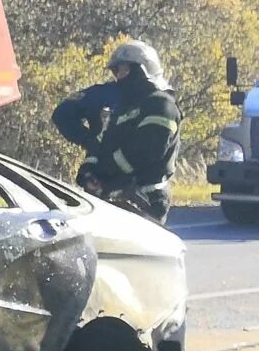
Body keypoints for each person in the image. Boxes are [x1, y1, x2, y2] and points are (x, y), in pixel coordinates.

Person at [51, 40, 181, 220]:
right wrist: (90, 170)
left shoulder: (161, 105)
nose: (118, 77)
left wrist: (104, 175)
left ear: (140, 71)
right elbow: (104, 143)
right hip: (115, 198)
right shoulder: (123, 108)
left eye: (122, 70)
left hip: (145, 202)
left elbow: (144, 154)